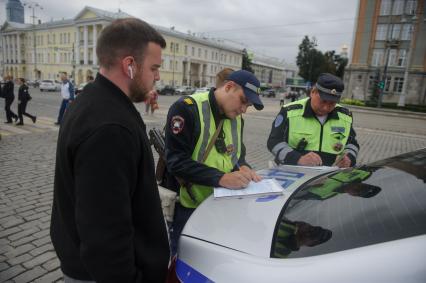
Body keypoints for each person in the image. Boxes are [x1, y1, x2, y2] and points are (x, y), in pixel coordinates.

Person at [50, 18, 170, 283]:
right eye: (154, 68)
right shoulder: (110, 127)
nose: (158, 76)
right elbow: (104, 233)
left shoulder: (94, 100)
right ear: (129, 65)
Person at [165, 69, 264, 255]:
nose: (243, 109)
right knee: (183, 260)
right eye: (243, 101)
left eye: (248, 105)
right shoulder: (187, 108)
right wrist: (222, 178)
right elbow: (176, 162)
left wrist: (244, 167)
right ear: (229, 87)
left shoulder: (236, 119)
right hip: (189, 206)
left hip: (222, 206)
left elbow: (236, 155)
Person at [267, 73, 359, 168]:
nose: (325, 108)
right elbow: (274, 142)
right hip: (293, 173)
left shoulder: (345, 116)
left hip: (329, 176)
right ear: (313, 92)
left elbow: (352, 144)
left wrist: (349, 158)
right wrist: (298, 159)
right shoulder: (289, 111)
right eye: (323, 101)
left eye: (332, 103)